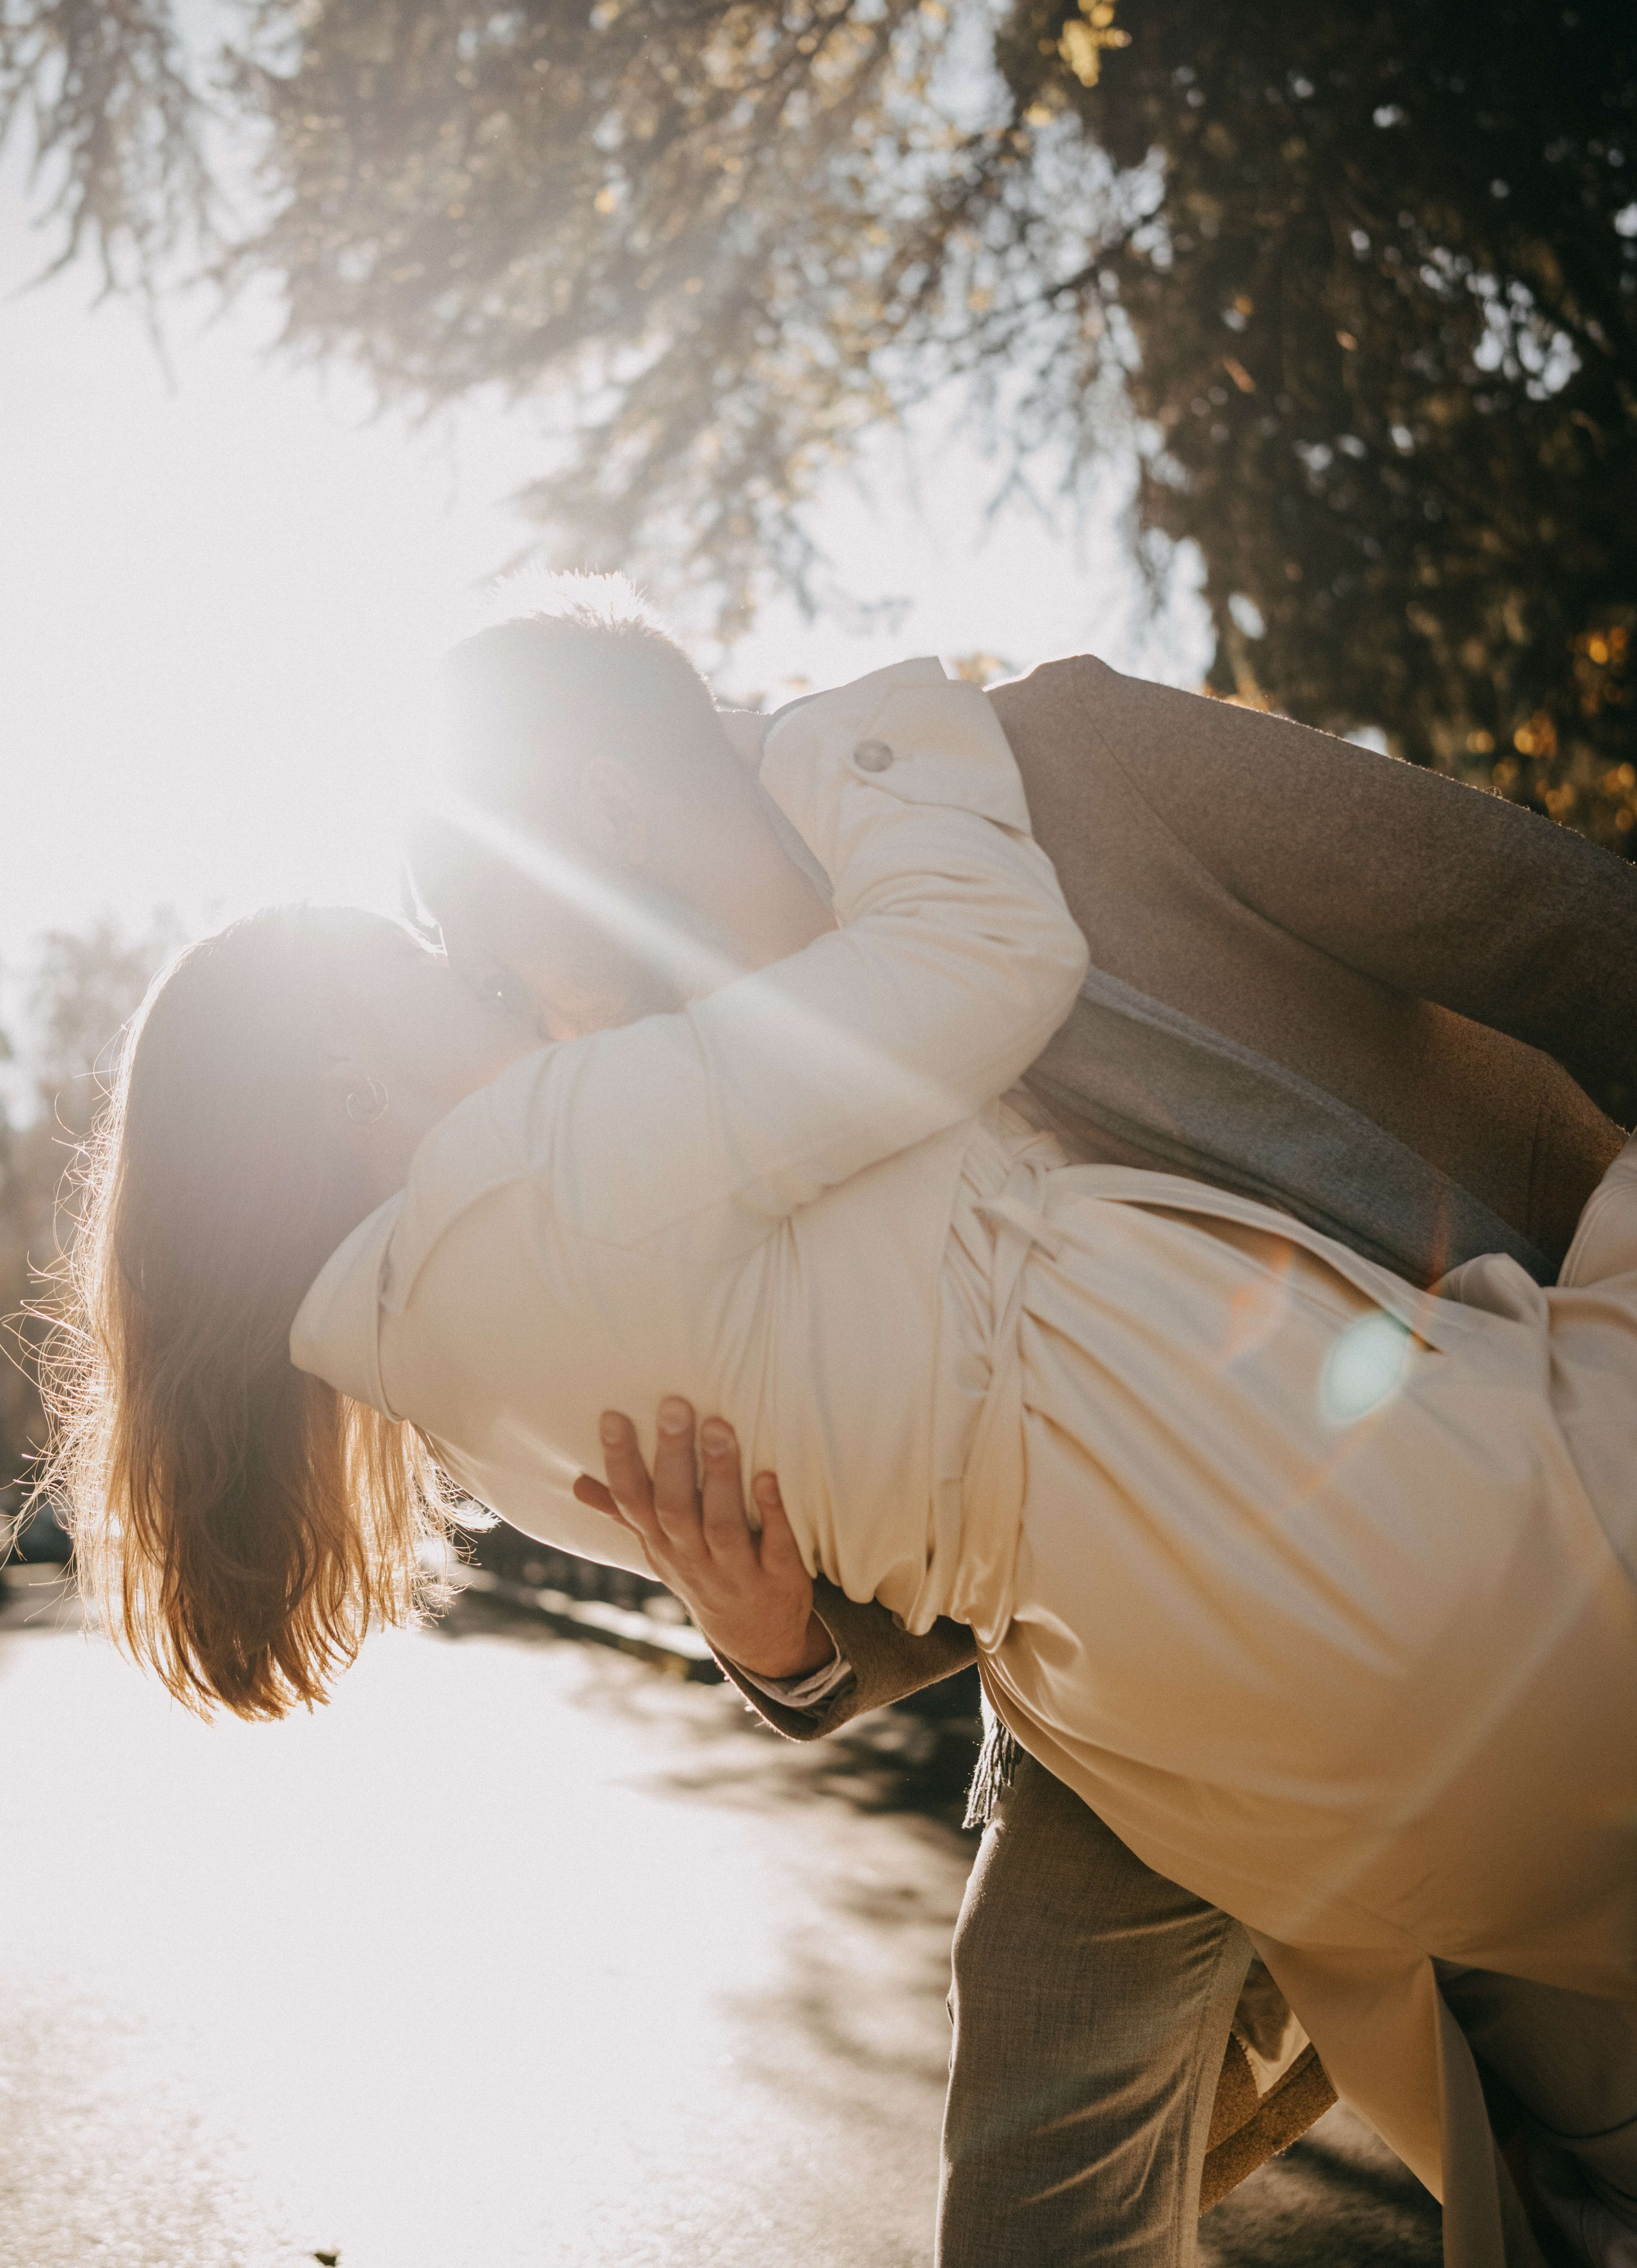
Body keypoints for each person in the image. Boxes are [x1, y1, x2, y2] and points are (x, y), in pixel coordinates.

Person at [46, 643, 1637, 2268]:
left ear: (602, 811)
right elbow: (875, 1468)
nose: (502, 988)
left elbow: (1553, 927)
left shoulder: (1065, 758)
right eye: (452, 970)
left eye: (480, 949)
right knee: (1044, 2173)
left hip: (1437, 1395)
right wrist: (782, 1648)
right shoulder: (607, 1105)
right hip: (1115, 1659)